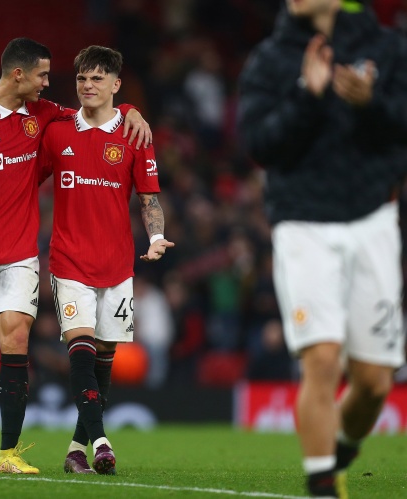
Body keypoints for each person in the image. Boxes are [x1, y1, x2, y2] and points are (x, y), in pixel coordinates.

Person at [0, 37, 151, 474]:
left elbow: (95, 112)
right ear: (18, 75)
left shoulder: (43, 114)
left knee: (16, 340)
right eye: (43, 75)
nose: (49, 83)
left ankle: (8, 454)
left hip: (19, 256)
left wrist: (129, 111)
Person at [237, 0, 407, 496]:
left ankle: (343, 445)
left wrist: (370, 103)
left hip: (373, 219)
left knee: (375, 382)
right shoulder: (271, 59)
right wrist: (306, 97)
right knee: (322, 359)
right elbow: (258, 144)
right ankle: (322, 482)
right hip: (303, 223)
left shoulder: (386, 48)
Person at [38, 45, 174, 475]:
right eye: (82, 78)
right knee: (80, 349)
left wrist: (156, 236)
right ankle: (101, 442)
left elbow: (149, 198)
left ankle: (76, 449)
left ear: (116, 84)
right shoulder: (57, 130)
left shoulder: (135, 136)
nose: (88, 85)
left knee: (104, 359)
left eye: (97, 78)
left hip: (117, 265)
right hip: (69, 260)